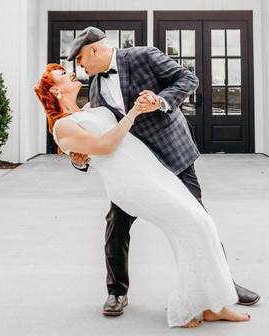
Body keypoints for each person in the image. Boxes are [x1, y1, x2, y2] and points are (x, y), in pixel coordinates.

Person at [35, 61, 251, 328]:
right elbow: (104, 145)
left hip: (152, 172)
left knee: (199, 224)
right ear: (55, 92)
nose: (71, 73)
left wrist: (150, 101)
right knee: (188, 225)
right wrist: (133, 113)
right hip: (132, 184)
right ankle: (178, 306)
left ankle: (212, 303)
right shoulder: (63, 127)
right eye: (63, 75)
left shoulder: (90, 106)